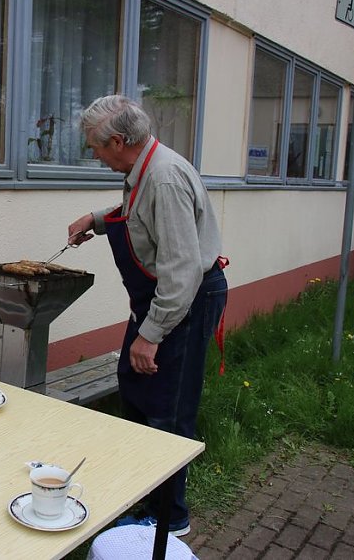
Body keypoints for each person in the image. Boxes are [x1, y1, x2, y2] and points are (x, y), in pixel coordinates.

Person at [67, 95, 227, 537]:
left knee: (166, 411)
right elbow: (139, 217)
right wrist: (97, 220)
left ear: (118, 141)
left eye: (95, 147)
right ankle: (144, 495)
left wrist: (150, 334)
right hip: (164, 299)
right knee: (136, 391)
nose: (94, 155)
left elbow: (181, 270)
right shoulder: (142, 171)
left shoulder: (165, 179)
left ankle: (170, 519)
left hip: (184, 301)